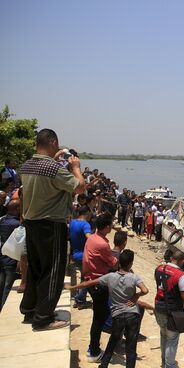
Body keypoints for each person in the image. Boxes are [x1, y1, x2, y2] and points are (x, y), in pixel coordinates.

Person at [19, 128, 85, 331]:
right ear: (53, 142)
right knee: (53, 270)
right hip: (51, 225)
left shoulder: (27, 165)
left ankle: (30, 309)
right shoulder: (54, 169)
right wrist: (75, 167)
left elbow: (45, 179)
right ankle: (43, 318)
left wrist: (55, 161)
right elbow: (79, 187)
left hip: (31, 222)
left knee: (36, 269)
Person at [67, 249, 148, 368]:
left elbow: (88, 283)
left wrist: (72, 286)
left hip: (118, 315)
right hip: (132, 315)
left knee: (112, 342)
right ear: (131, 264)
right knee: (131, 348)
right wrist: (136, 296)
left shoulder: (110, 277)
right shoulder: (134, 277)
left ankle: (103, 365)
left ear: (119, 263)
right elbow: (145, 290)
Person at [83, 214, 118, 362]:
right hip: (98, 283)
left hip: (91, 279)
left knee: (100, 315)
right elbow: (113, 263)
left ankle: (93, 347)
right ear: (106, 227)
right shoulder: (103, 244)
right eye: (110, 225)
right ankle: (94, 351)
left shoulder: (92, 237)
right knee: (99, 317)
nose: (111, 227)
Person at [154, 251, 184, 368]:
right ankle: (169, 365)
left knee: (163, 335)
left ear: (171, 258)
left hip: (158, 307)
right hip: (173, 312)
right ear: (182, 261)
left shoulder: (159, 268)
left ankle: (164, 362)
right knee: (172, 339)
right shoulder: (180, 275)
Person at [69, 205, 93, 309]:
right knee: (86, 279)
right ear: (87, 213)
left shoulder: (72, 222)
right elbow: (88, 237)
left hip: (75, 254)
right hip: (84, 255)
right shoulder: (85, 224)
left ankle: (78, 299)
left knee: (83, 277)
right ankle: (80, 300)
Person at [0, 200, 21, 311]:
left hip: (3, 257)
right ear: (17, 209)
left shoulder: (2, 220)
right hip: (11, 259)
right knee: (8, 286)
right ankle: (3, 309)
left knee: (2, 284)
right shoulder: (16, 224)